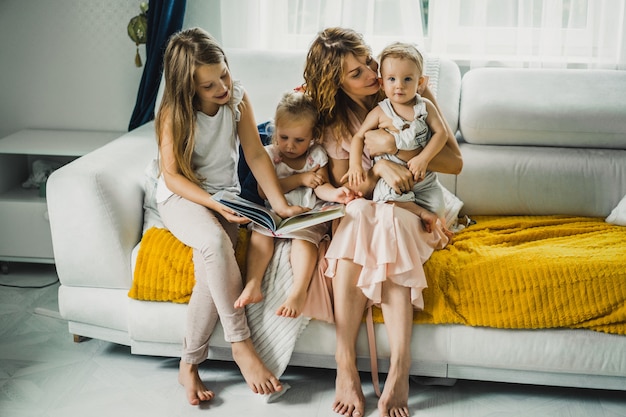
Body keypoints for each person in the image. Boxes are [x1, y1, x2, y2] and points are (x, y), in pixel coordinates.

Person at [303, 27, 463, 417]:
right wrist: (382, 169)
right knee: (359, 214)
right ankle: (345, 365)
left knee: (385, 219)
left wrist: (395, 148)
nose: (373, 75)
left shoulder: (411, 89)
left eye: (369, 62)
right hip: (373, 207)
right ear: (336, 83)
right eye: (356, 73)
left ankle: (401, 366)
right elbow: (351, 188)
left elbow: (454, 162)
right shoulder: (338, 122)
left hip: (414, 205)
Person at [154, 28, 307, 406]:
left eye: (223, 74)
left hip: (225, 198)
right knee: (211, 242)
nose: (222, 86)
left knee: (213, 263)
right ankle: (242, 347)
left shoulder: (237, 97)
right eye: (209, 85)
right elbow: (172, 176)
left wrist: (281, 206)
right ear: (188, 88)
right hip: (183, 196)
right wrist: (212, 203)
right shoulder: (174, 112)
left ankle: (188, 364)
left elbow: (256, 155)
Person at [235, 90, 355, 318]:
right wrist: (300, 179)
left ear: (313, 136)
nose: (289, 145)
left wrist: (337, 194)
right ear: (275, 130)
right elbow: (264, 190)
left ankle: (298, 292)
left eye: (299, 140)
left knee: (304, 242)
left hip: (306, 214)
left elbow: (321, 186)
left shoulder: (317, 155)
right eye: (283, 137)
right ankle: (253, 283)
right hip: (275, 213)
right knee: (260, 236)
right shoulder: (269, 155)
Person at [345, 42, 447, 219]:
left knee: (438, 210)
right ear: (382, 83)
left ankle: (431, 219)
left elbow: (441, 133)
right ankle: (419, 213)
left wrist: (424, 158)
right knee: (387, 199)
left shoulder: (425, 107)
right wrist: (354, 165)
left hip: (425, 179)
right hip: (392, 178)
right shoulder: (380, 112)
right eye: (392, 79)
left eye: (407, 79)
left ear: (420, 82)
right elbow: (359, 136)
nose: (399, 85)